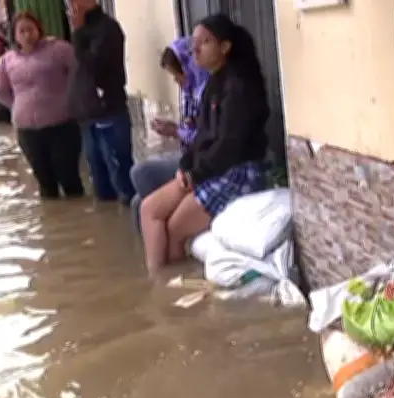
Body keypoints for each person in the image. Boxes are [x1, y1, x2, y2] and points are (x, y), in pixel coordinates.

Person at [139, 14, 269, 272]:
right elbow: (201, 135)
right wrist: (186, 164)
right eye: (193, 43)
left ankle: (176, 287)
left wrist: (194, 174)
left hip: (237, 171)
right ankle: (156, 285)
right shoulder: (214, 82)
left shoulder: (238, 87)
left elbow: (229, 147)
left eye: (205, 42)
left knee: (175, 229)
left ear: (225, 47)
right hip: (209, 168)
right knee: (148, 208)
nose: (195, 49)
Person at [0, 11, 84, 199]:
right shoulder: (8, 60)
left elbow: (78, 73)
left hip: (61, 125)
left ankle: (79, 216)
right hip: (28, 130)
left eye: (30, 29)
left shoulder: (59, 49)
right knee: (45, 182)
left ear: (39, 29)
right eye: (22, 31)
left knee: (69, 178)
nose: (27, 35)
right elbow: (1, 90)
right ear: (15, 35)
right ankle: (53, 225)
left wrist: (68, 100)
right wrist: (18, 106)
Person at [129, 36, 209, 229]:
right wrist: (176, 129)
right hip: (191, 156)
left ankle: (166, 220)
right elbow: (192, 129)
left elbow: (208, 138)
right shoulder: (192, 93)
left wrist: (176, 131)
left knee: (140, 174)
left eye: (177, 74)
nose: (176, 80)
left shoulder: (209, 91)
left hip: (204, 161)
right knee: (137, 203)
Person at [68, 0, 135, 204]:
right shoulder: (84, 29)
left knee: (122, 179)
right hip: (88, 115)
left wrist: (77, 32)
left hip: (109, 112)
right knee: (101, 183)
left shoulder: (107, 28)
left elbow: (93, 65)